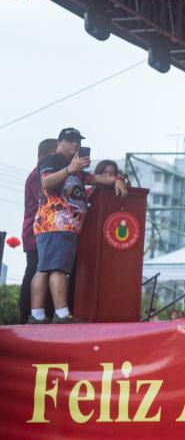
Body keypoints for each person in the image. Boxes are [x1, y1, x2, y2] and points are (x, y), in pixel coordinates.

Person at [30, 128, 127, 323]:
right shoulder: (54, 160)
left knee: (46, 268)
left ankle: (37, 315)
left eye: (78, 141)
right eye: (71, 140)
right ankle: (61, 314)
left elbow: (98, 179)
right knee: (57, 269)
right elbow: (46, 182)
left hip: (60, 226)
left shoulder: (77, 171)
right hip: (57, 223)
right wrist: (69, 169)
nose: (76, 144)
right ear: (59, 144)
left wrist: (118, 179)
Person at [19, 138, 57, 324]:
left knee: (45, 273)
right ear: (47, 154)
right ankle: (27, 315)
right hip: (36, 234)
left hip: (45, 233)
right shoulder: (38, 176)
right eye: (56, 153)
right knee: (34, 272)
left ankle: (45, 314)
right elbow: (49, 198)